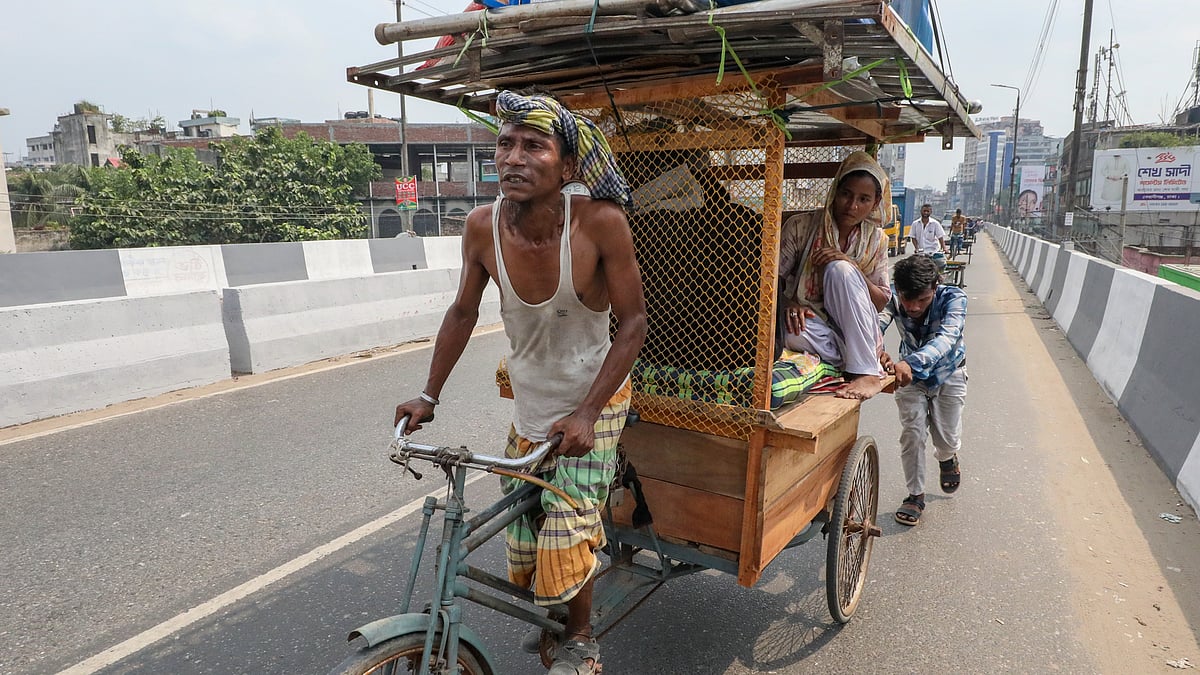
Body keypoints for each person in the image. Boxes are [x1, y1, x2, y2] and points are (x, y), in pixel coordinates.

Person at [393, 88, 647, 675]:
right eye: (505, 144)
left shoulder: (600, 224)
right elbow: (462, 312)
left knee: (567, 532)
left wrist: (587, 414)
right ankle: (558, 612)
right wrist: (428, 396)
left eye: (534, 146)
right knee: (525, 535)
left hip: (595, 401)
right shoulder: (481, 227)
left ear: (568, 165)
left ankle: (580, 638)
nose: (513, 157)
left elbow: (633, 322)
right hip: (532, 406)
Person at [778, 151, 892, 400]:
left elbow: (881, 302)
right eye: (846, 194)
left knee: (839, 270)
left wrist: (851, 265)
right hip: (817, 328)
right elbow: (771, 281)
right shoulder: (801, 226)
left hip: (858, 327)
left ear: (875, 203)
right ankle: (857, 359)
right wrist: (788, 304)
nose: (852, 206)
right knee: (789, 331)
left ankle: (866, 372)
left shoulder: (877, 240)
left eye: (863, 199)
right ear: (835, 191)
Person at [878, 254, 968, 526]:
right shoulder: (893, 298)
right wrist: (876, 350)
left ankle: (947, 458)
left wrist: (911, 362)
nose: (914, 307)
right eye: (908, 299)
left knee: (946, 440)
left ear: (935, 287)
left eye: (923, 300)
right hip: (909, 379)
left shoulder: (954, 298)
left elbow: (947, 338)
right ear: (899, 290)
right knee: (912, 434)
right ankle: (915, 495)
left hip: (948, 373)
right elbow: (874, 325)